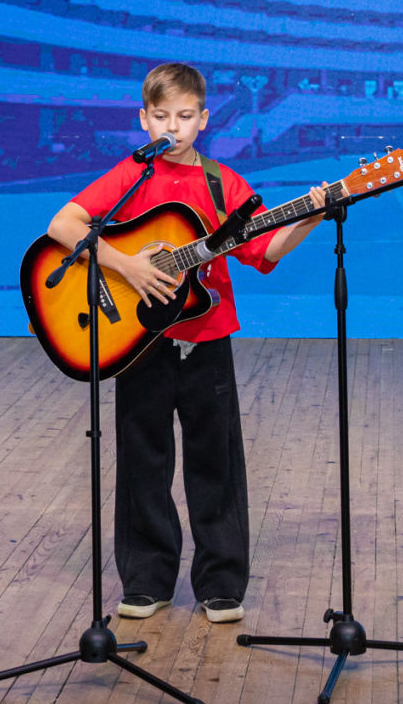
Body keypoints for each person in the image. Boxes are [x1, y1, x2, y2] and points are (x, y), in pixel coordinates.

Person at [46, 63, 326, 624]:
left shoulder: (223, 184)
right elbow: (64, 225)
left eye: (185, 116)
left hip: (207, 336)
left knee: (214, 460)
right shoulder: (130, 175)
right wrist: (128, 266)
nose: (173, 127)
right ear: (143, 120)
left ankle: (220, 583)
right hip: (140, 340)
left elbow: (264, 251)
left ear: (204, 119)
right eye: (161, 116)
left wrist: (311, 217)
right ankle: (146, 579)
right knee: (143, 460)